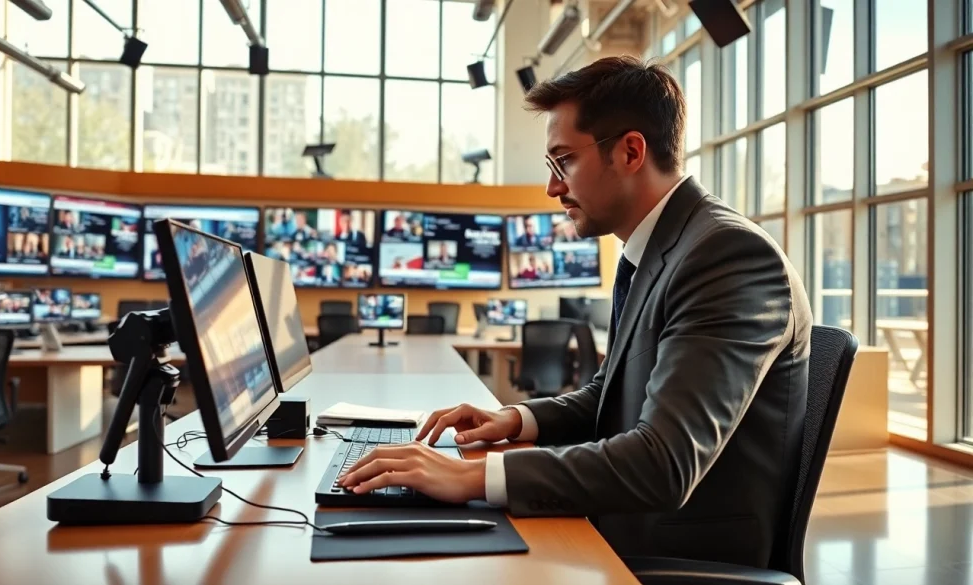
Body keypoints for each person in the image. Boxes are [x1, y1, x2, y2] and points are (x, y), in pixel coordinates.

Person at [339, 56, 811, 571]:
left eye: (563, 161)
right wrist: (515, 419)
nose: (552, 187)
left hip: (672, 554)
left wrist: (476, 476)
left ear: (631, 151)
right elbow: (609, 395)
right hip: (620, 525)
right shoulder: (658, 250)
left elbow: (664, 463)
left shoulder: (727, 256)